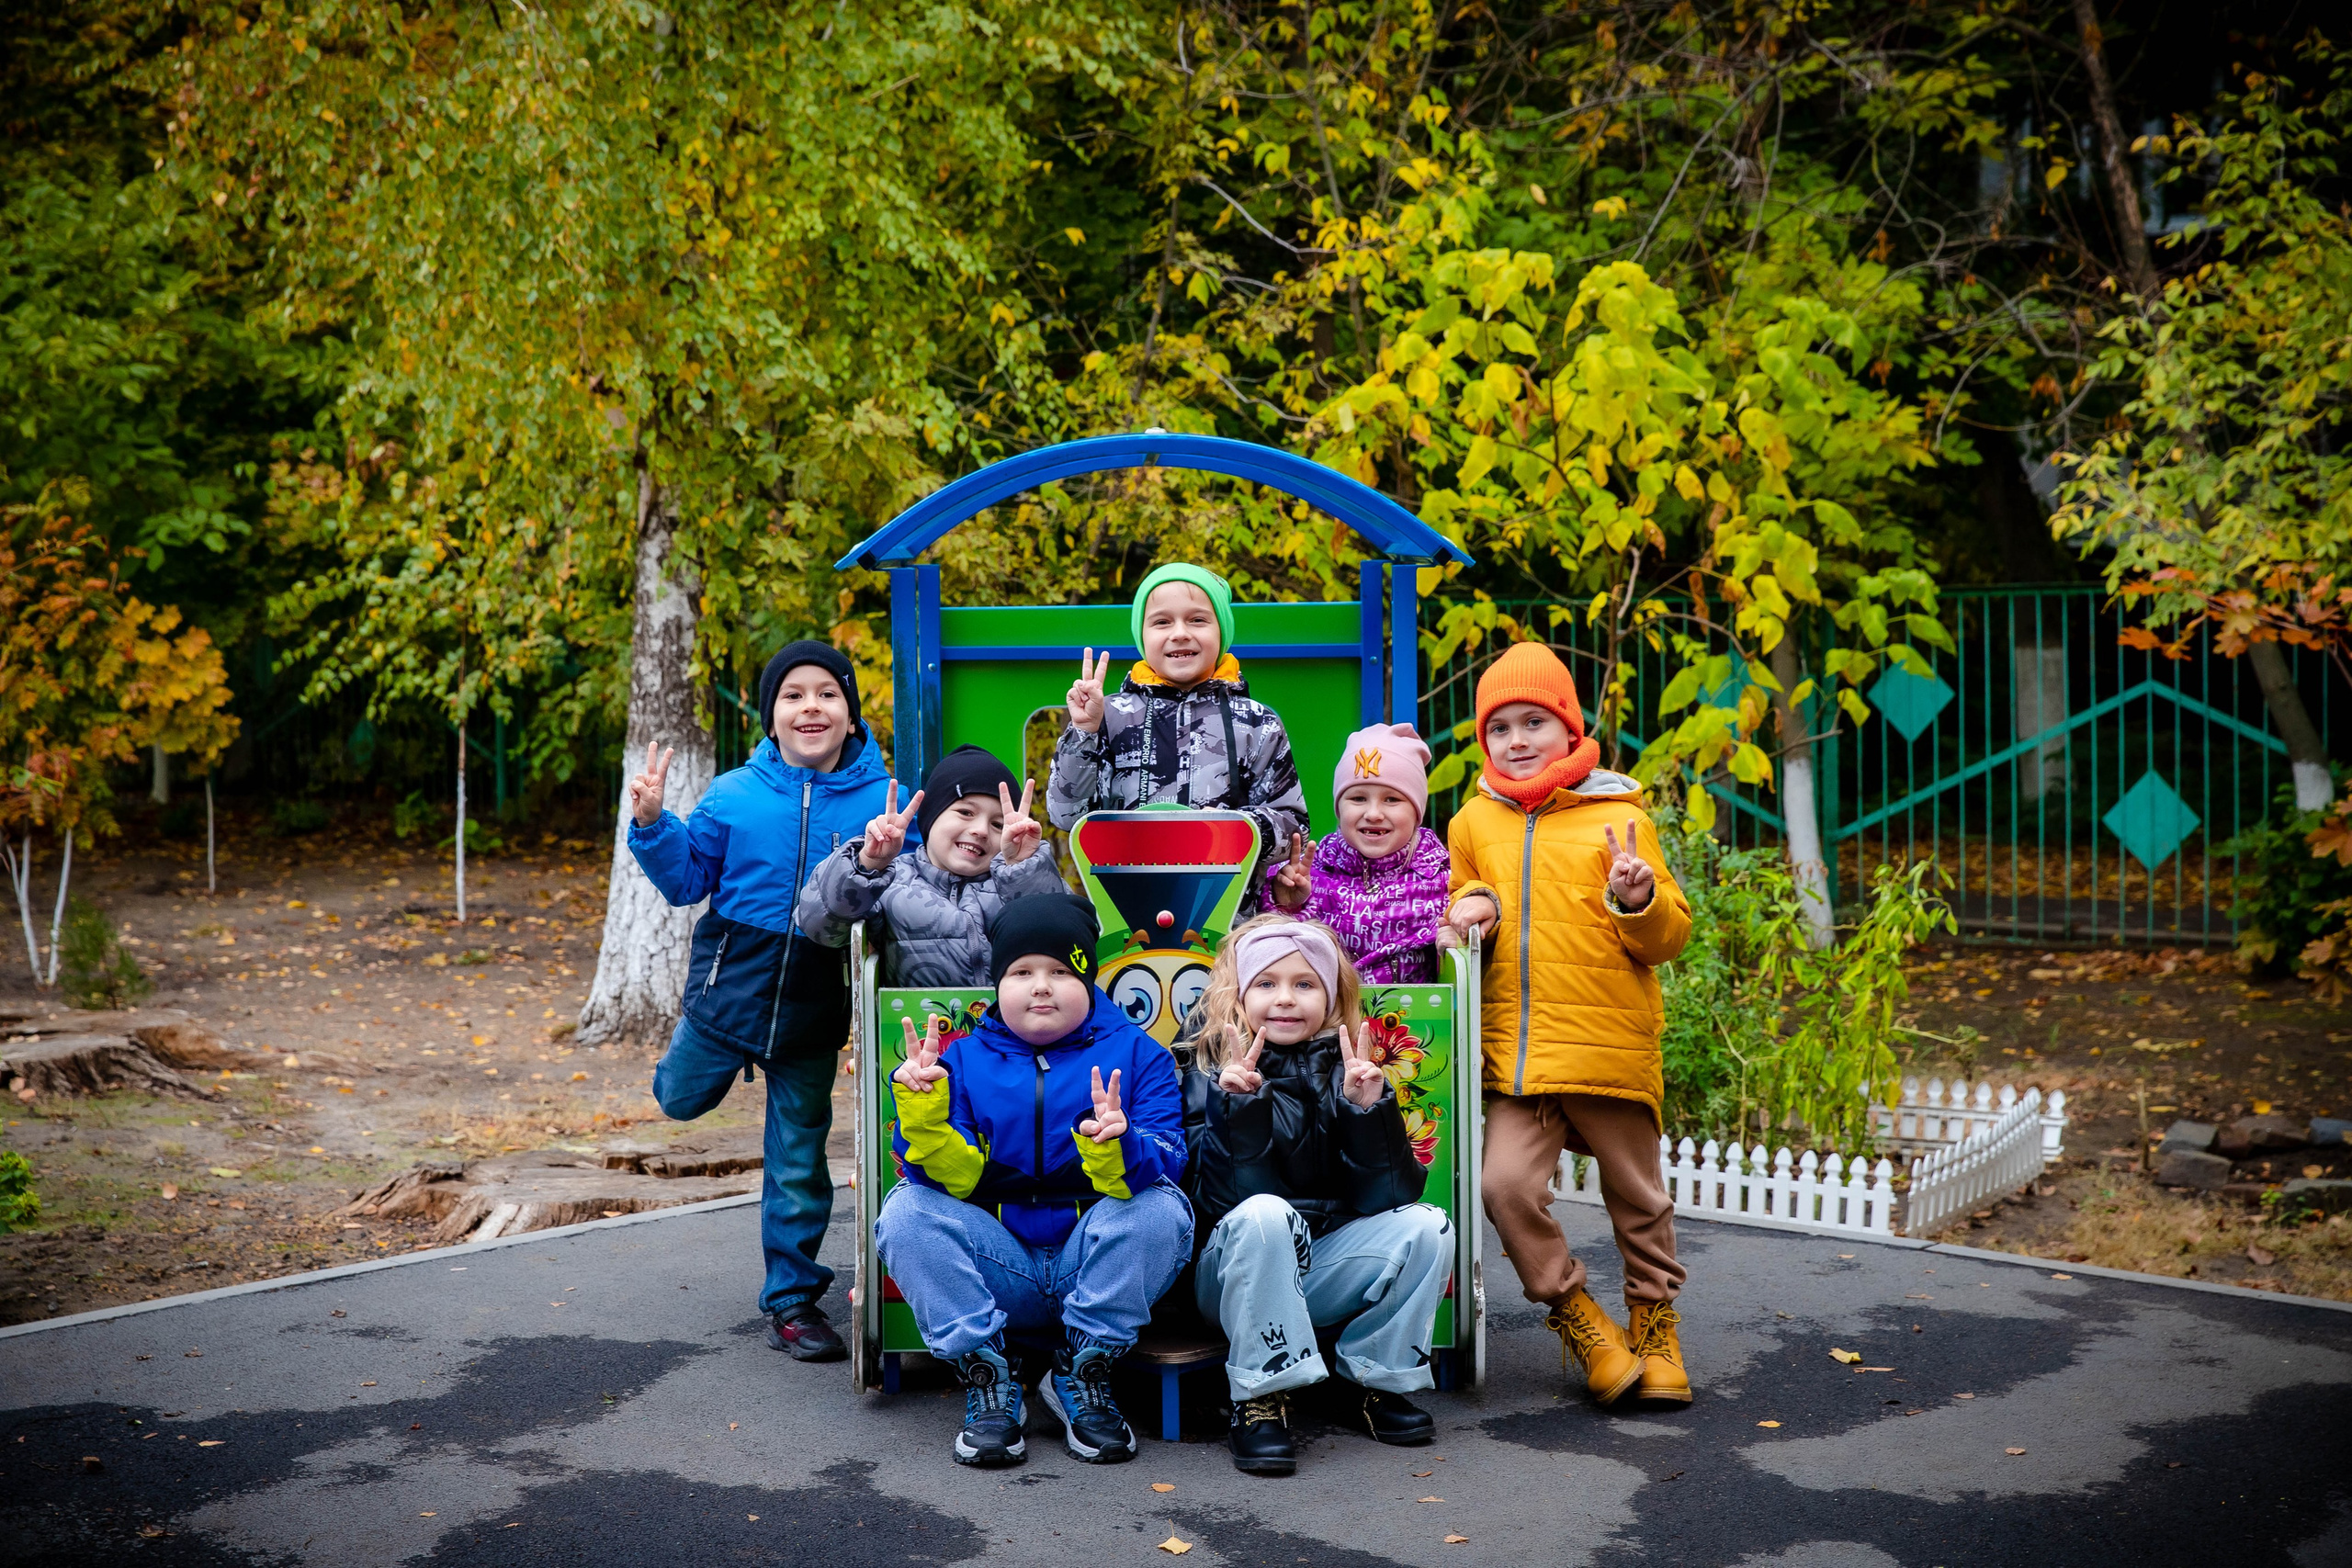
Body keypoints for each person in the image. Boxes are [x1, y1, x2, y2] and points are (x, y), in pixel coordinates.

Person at [1442, 640, 1695, 1407]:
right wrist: (1465, 913)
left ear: (1569, 725)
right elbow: (1460, 910)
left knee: (1637, 1195)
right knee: (1503, 1186)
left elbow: (1667, 938)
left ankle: (1654, 1320)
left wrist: (1637, 895)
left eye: (1534, 723)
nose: (1517, 741)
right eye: (1500, 728)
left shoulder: (1619, 815)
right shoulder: (1472, 822)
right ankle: (1579, 1317)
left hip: (1607, 1043)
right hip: (1516, 1056)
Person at [625, 640, 890, 1365]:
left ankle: (793, 1301)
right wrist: (653, 825)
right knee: (678, 1100)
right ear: (771, 715)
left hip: (812, 1007)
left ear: (849, 711)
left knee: (800, 1157)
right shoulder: (734, 793)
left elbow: (910, 887)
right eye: (793, 695)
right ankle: (691, 1066)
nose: (811, 707)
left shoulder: (882, 800)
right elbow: (686, 879)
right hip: (728, 993)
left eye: (827, 694)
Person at [873, 894, 1193, 1469]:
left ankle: (1082, 1371)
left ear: (1090, 979)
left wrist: (1118, 1144)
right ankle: (990, 1377)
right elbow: (951, 1180)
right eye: (1021, 972)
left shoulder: (1140, 1054)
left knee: (1161, 1208)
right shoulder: (962, 1059)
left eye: (1060, 971)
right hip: (1003, 1269)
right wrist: (924, 1115)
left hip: (1091, 1270)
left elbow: (1170, 1159)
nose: (1040, 986)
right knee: (906, 1210)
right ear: (997, 984)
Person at [1178, 916, 1450, 1475]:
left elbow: (1388, 1198)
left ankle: (1370, 1383)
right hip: (1230, 1275)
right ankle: (1259, 1399)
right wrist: (1241, 1110)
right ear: (1239, 993)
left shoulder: (1351, 1068)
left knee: (1428, 1225)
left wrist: (1366, 1111)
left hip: (1320, 1266)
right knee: (1264, 1215)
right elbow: (1222, 1204)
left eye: (1305, 984)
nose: (1285, 999)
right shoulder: (1209, 1071)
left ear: (1329, 997)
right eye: (1267, 983)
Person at [1046, 562, 1308, 899]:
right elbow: (1066, 815)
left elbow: (1294, 824)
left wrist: (1238, 828)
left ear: (1222, 632)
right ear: (1142, 636)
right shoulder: (1108, 716)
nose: (1180, 632)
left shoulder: (1257, 722)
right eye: (1161, 622)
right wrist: (1083, 732)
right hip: (1125, 915)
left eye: (1197, 620)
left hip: (1228, 917)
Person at [795, 742, 1065, 987]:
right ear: (931, 818)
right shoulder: (893, 882)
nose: (981, 830)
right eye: (965, 812)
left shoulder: (1015, 881)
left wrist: (1023, 867)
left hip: (1008, 1036)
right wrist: (868, 863)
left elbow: (1062, 939)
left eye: (998, 824)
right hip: (916, 1036)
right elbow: (818, 926)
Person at [1267, 721, 1452, 984]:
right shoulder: (1313, 872)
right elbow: (1277, 953)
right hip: (1327, 1022)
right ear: (1339, 809)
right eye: (1358, 799)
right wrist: (1286, 903)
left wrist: (1458, 939)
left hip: (1412, 1021)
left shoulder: (1441, 879)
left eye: (1392, 799)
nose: (1373, 814)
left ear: (1417, 812)